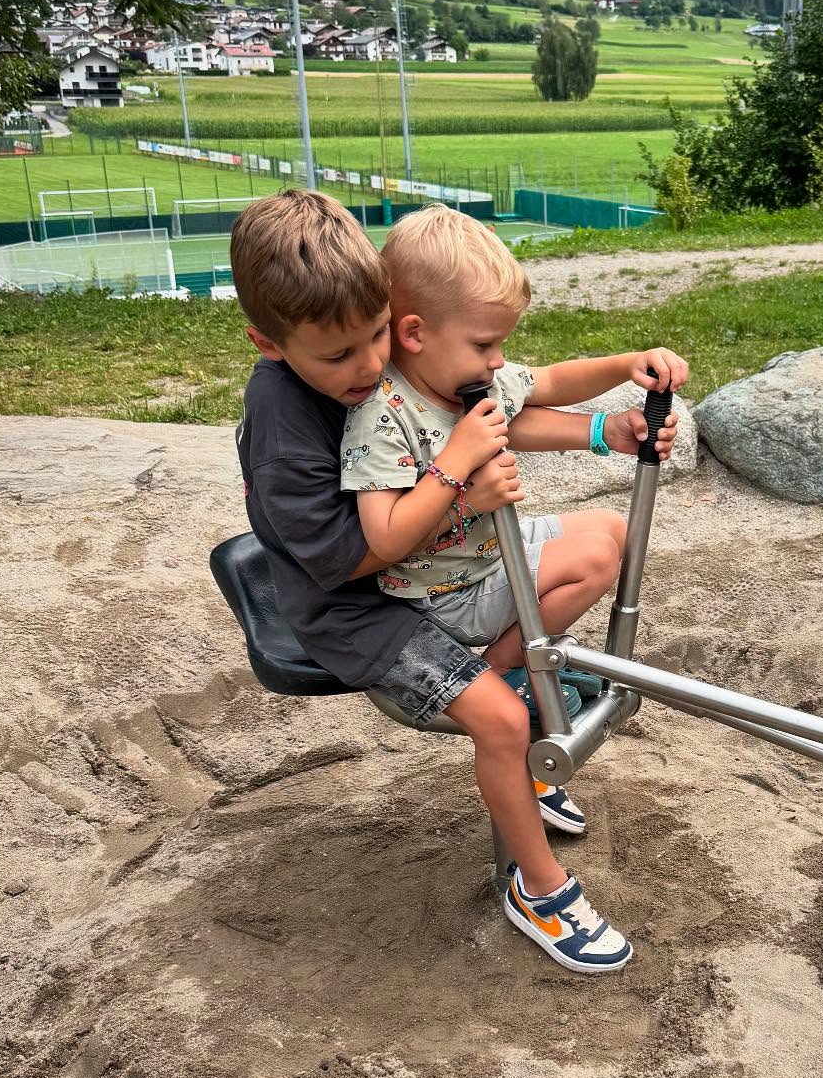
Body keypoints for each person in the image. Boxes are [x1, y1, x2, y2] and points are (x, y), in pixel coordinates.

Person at [230, 190, 686, 976]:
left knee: (596, 552)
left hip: (441, 558)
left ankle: (512, 714)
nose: (370, 366)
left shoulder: (393, 369)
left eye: (376, 337)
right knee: (505, 722)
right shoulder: (299, 424)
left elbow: (519, 401)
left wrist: (608, 424)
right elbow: (356, 555)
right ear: (271, 345)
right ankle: (538, 890)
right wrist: (459, 483)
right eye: (340, 356)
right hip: (353, 607)